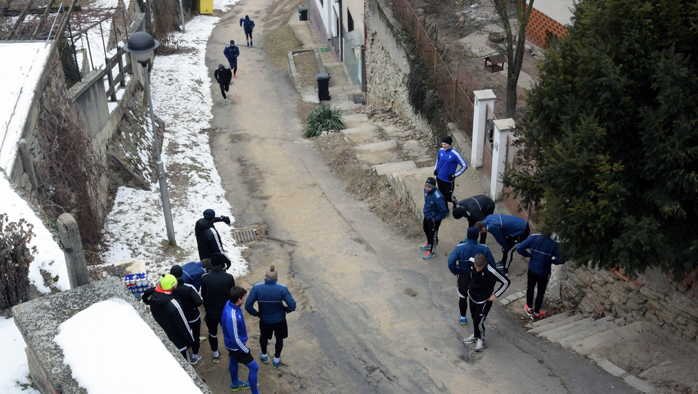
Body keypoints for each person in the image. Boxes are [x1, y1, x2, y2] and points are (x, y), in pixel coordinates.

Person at [245, 265, 297, 368]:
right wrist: (286, 310)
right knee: (279, 339)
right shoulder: (282, 288)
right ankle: (276, 359)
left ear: (265, 275)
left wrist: (256, 313)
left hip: (265, 320)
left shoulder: (257, 288)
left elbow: (247, 306)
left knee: (263, 337)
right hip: (280, 320)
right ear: (277, 276)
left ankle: (264, 356)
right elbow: (293, 305)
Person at [447, 227, 495, 325]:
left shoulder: (460, 247)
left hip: (464, 277)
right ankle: (477, 319)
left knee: (463, 297)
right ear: (477, 236)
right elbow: (492, 264)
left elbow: (450, 262)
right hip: (478, 278)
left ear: (467, 235)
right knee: (476, 299)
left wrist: (456, 271)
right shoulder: (484, 248)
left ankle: (463, 317)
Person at [142, 274, 195, 361]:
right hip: (179, 342)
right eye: (175, 283)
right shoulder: (174, 305)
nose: (177, 283)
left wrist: (146, 301)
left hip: (166, 335)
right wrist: (191, 341)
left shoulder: (154, 297)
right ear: (171, 287)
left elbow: (147, 292)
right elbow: (183, 325)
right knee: (185, 362)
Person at [463, 254, 510, 352]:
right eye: (476, 266)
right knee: (473, 317)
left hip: (483, 300)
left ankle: (481, 340)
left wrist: (495, 295)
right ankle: (475, 336)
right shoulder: (471, 261)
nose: (477, 269)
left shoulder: (492, 271)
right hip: (472, 296)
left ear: (485, 263)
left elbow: (506, 282)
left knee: (479, 321)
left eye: (480, 267)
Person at [516, 233, 565, 319]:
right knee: (540, 292)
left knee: (530, 287)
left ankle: (529, 307)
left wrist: (528, 255)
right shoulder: (554, 244)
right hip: (544, 271)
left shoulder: (533, 238)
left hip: (532, 268)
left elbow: (519, 248)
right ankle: (536, 313)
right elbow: (562, 259)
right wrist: (553, 262)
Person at [222, 286, 260, 393]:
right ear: (239, 299)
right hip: (235, 347)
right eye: (244, 297)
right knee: (254, 367)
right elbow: (235, 339)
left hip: (229, 344)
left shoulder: (229, 303)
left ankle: (235, 384)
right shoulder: (232, 317)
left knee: (233, 360)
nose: (245, 298)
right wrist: (245, 350)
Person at [201, 253, 236, 363]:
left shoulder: (205, 278)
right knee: (228, 332)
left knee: (212, 333)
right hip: (225, 312)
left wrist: (207, 308)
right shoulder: (228, 277)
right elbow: (233, 294)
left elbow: (204, 296)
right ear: (222, 263)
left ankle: (216, 354)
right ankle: (231, 353)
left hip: (211, 312)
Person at [170, 265, 204, 365]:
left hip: (180, 318)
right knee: (195, 335)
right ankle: (195, 355)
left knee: (184, 334)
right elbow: (199, 301)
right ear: (182, 274)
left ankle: (186, 353)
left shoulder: (170, 290)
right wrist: (191, 306)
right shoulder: (188, 287)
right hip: (193, 317)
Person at [433, 136, 467, 214]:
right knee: (442, 196)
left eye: (445, 144)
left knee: (448, 197)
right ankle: (446, 210)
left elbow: (464, 165)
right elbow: (438, 160)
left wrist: (454, 175)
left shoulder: (455, 154)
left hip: (448, 180)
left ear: (449, 144)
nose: (443, 146)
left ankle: (455, 202)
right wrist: (436, 169)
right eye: (442, 144)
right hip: (439, 177)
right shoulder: (440, 151)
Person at [421, 177, 449, 260]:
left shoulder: (438, 197)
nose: (427, 189)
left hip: (434, 219)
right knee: (425, 229)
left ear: (433, 187)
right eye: (426, 186)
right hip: (427, 215)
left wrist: (436, 218)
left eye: (429, 187)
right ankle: (429, 243)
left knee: (433, 235)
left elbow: (444, 210)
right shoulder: (425, 191)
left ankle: (432, 251)